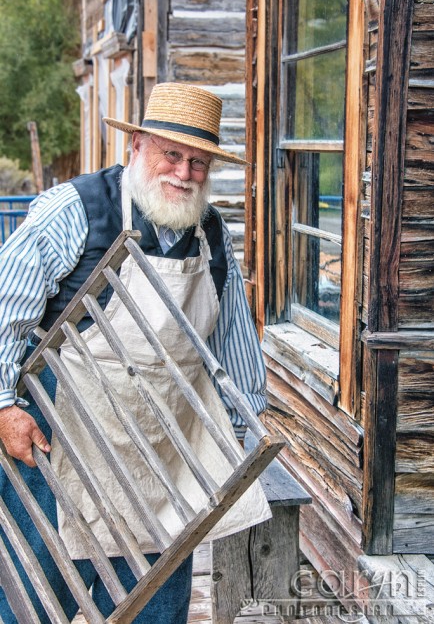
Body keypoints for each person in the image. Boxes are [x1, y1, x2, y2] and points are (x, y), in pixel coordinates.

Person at [0, 83, 270, 623]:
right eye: (172, 154)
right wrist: (4, 405)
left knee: (149, 607)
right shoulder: (76, 209)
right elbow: (5, 308)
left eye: (198, 162)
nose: (184, 173)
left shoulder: (212, 235)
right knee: (33, 604)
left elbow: (233, 343)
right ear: (139, 146)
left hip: (159, 461)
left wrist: (239, 430)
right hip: (57, 448)